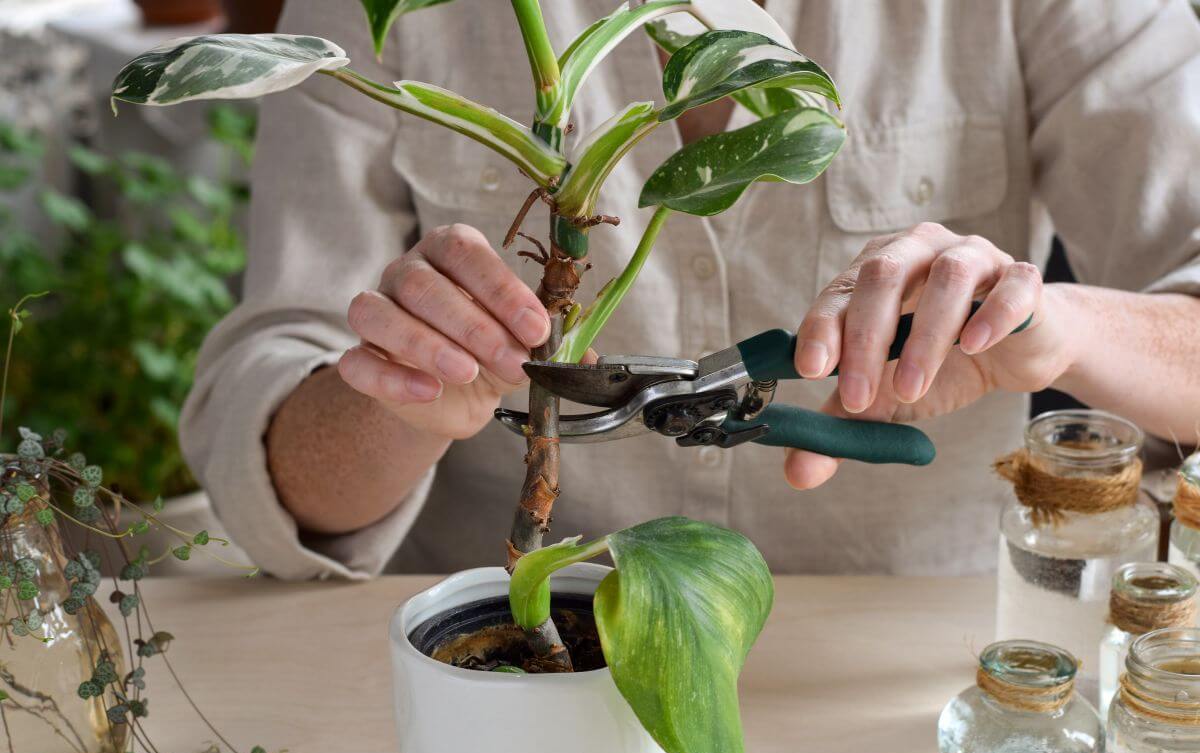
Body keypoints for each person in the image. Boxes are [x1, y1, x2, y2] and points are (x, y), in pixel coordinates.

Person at [180, 0, 1200, 580]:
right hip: (500, 646)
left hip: (911, 670)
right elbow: (271, 472)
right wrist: (398, 388)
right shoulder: (373, 19)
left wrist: (1059, 323)